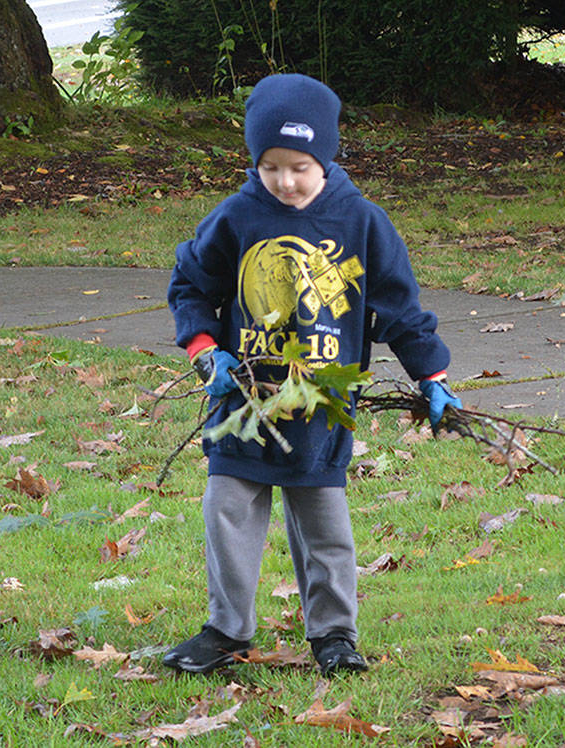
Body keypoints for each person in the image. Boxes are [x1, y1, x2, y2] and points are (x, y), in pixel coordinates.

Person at [165, 73, 461, 676]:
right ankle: (227, 631)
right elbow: (190, 286)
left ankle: (333, 636)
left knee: (324, 526)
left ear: (326, 156)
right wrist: (205, 350)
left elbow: (400, 310)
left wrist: (431, 374)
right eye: (270, 167)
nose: (285, 182)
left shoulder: (361, 223)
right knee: (227, 508)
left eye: (299, 166)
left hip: (321, 408)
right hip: (245, 402)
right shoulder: (237, 217)